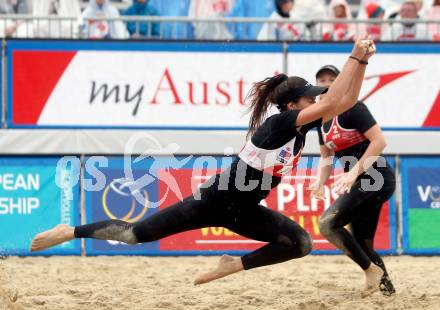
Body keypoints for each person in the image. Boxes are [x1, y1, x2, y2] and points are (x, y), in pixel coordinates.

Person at [30, 39, 381, 292]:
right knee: (133, 235)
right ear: (293, 105)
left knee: (300, 243)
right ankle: (68, 231)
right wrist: (353, 52)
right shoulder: (280, 125)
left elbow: (346, 100)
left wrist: (362, 61)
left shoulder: (304, 126)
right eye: (311, 97)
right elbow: (336, 97)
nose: (318, 100)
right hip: (211, 200)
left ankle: (232, 265)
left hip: (243, 208)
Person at [310, 65, 396, 296]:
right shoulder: (320, 120)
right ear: (317, 87)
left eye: (332, 79)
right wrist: (320, 182)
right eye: (322, 79)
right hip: (360, 182)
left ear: (342, 84)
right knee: (363, 242)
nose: (327, 83)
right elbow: (326, 156)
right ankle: (386, 290)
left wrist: (352, 172)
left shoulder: (353, 108)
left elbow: (379, 142)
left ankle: (372, 273)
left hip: (377, 178)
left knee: (328, 224)